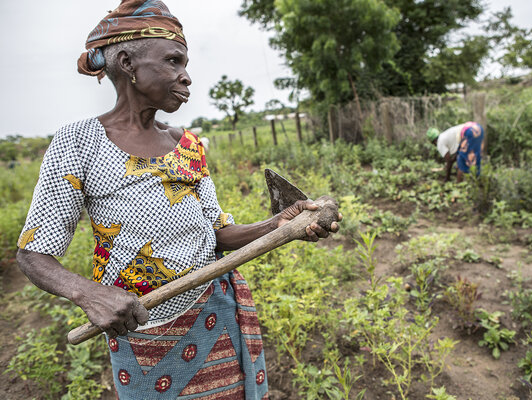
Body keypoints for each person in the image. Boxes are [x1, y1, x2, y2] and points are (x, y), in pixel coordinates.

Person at [15, 1, 341, 399]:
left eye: (185, 64)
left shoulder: (187, 144)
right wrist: (89, 293)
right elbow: (34, 255)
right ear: (127, 62)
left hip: (217, 312)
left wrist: (280, 224)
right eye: (173, 61)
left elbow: (218, 232)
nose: (186, 77)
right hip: (145, 332)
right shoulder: (80, 141)